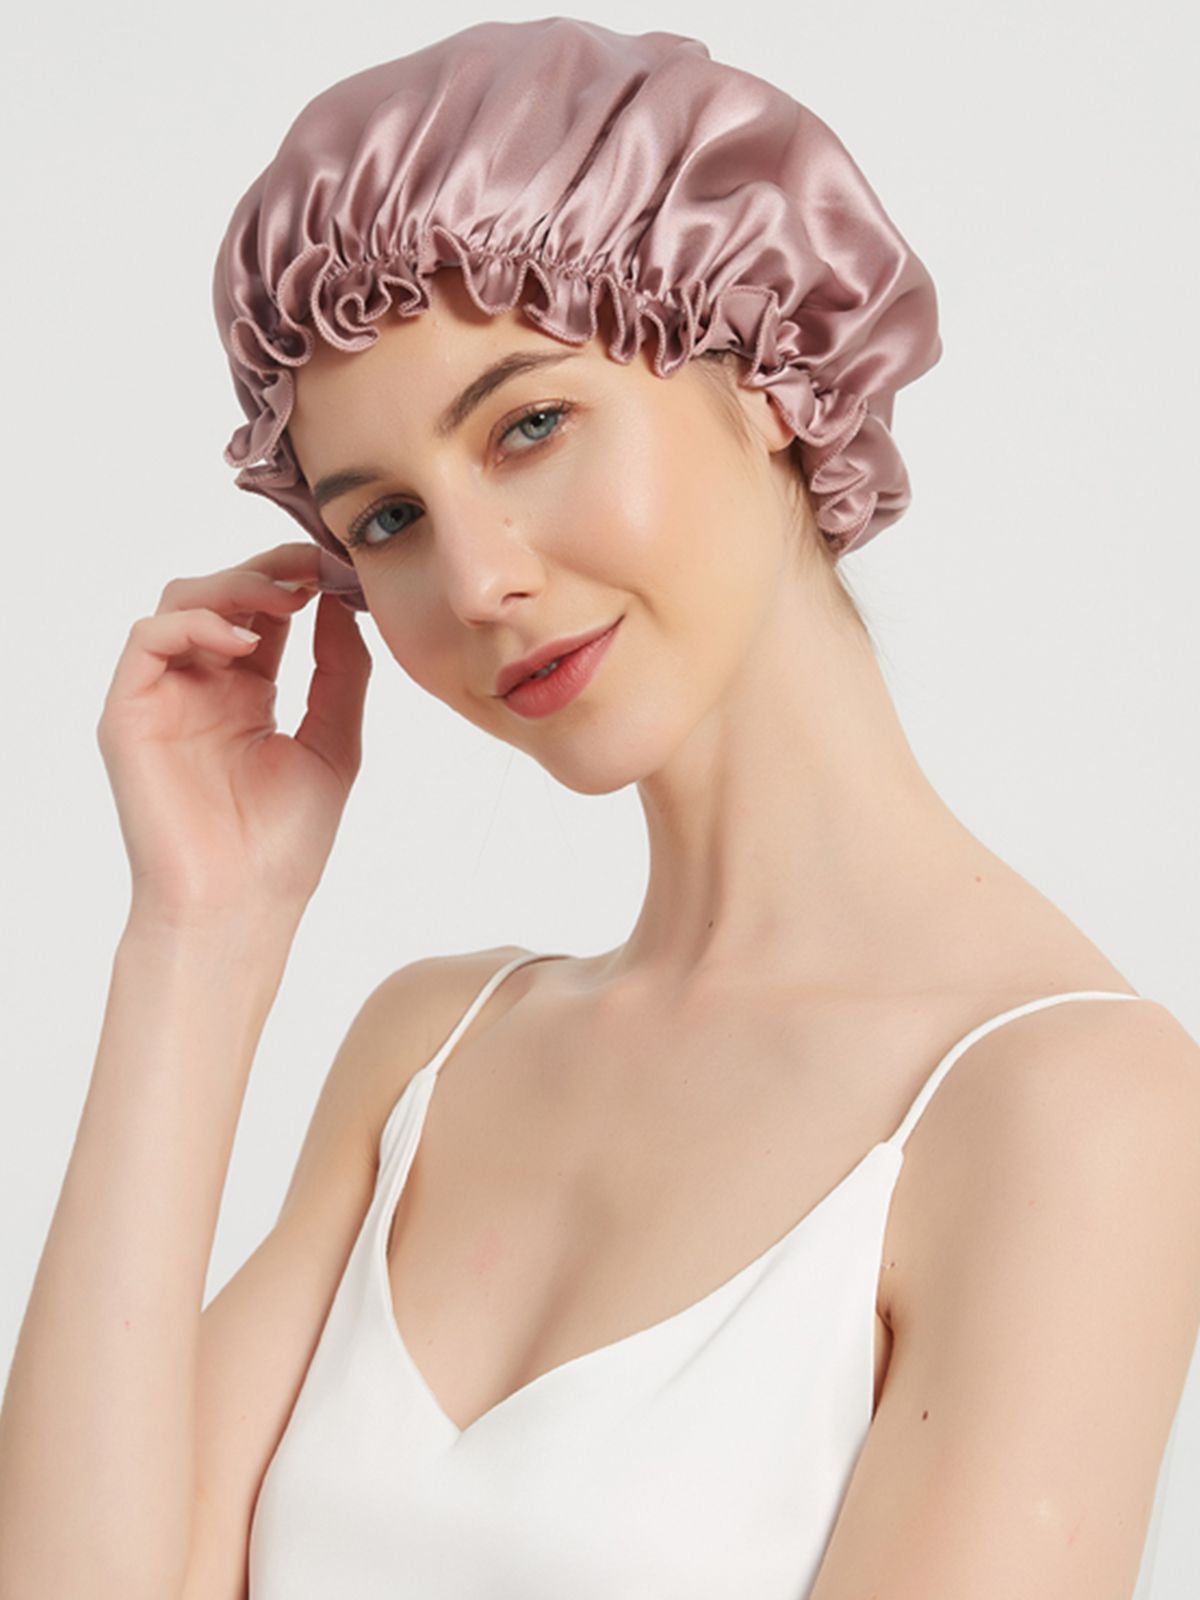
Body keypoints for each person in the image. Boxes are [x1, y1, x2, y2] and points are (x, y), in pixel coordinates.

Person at [1, 16, 1197, 1600]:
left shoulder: (1071, 1108)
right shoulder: (429, 1050)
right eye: (388, 519)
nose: (476, 580)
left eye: (530, 425)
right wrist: (197, 940)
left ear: (761, 371)